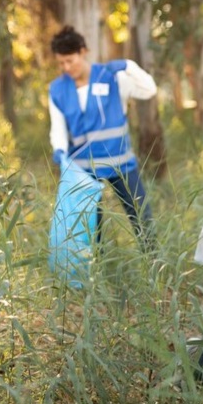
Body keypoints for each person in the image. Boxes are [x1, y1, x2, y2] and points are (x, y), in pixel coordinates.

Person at [48, 26, 157, 252]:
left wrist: (129, 66)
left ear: (83, 51)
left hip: (122, 166)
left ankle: (156, 269)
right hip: (84, 172)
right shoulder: (57, 90)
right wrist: (59, 149)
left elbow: (149, 90)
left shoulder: (112, 78)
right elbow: (58, 128)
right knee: (90, 232)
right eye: (61, 63)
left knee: (142, 220)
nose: (66, 68)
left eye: (70, 60)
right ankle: (96, 279)